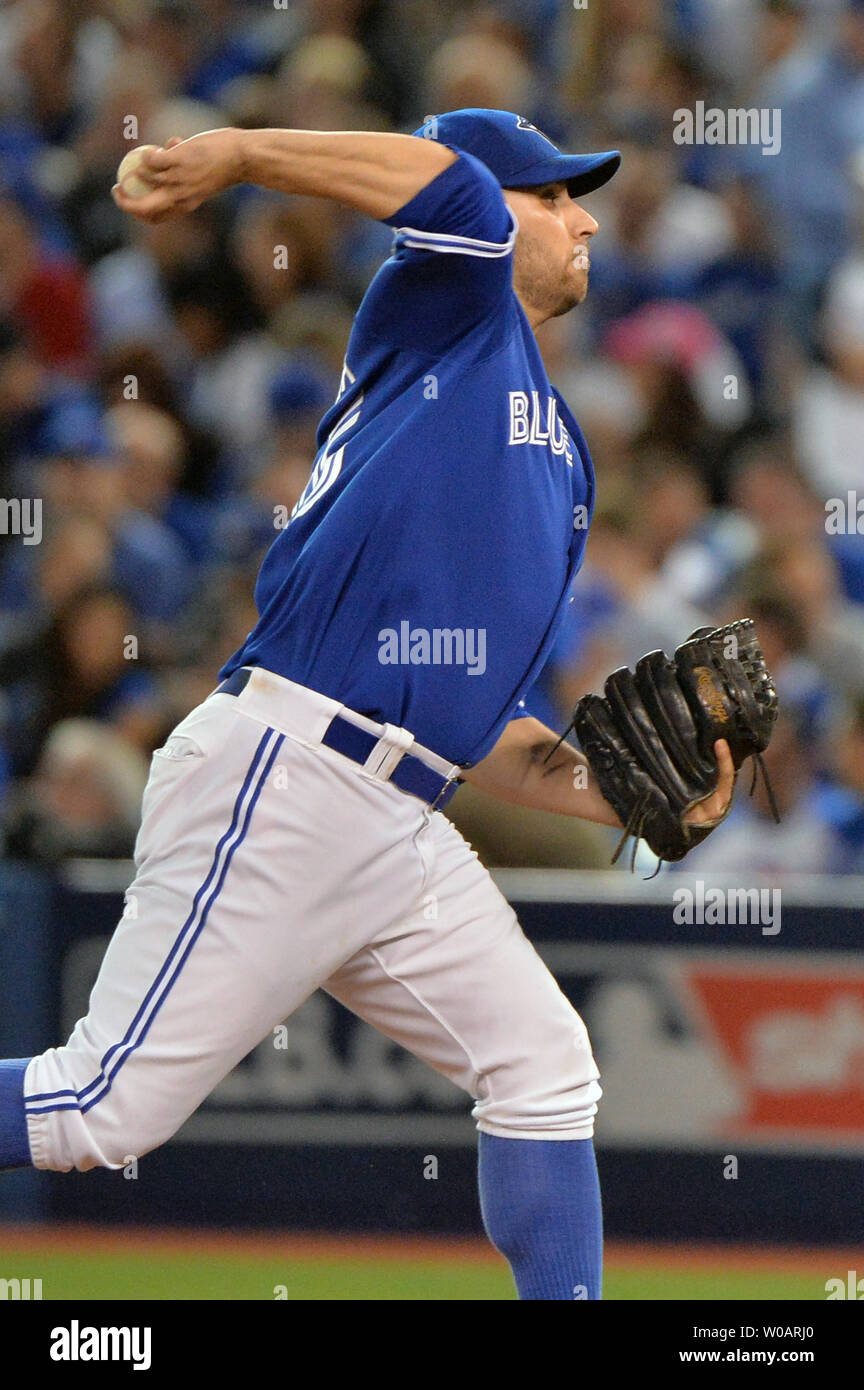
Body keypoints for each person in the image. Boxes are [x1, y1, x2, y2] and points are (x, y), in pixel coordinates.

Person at [0, 111, 734, 1301]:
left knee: (545, 1064)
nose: (582, 215)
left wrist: (631, 799)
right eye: (553, 197)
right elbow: (446, 184)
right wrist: (238, 154)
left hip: (400, 813)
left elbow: (482, 721)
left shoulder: (559, 459)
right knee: (98, 1109)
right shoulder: (445, 306)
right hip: (290, 768)